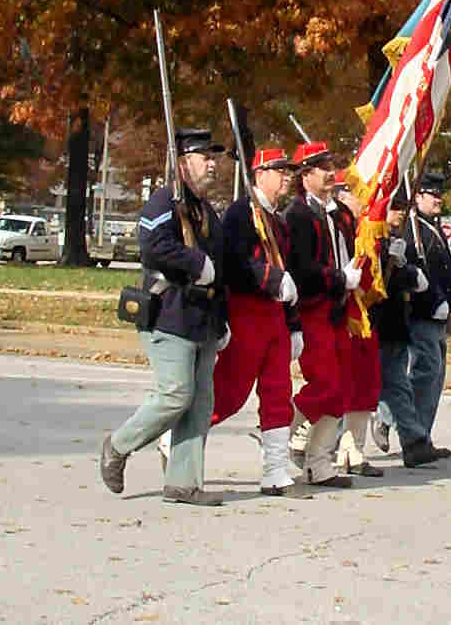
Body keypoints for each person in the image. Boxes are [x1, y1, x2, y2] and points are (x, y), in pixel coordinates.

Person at [100, 127, 228, 506]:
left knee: (199, 405)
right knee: (175, 395)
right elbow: (153, 246)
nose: (212, 164)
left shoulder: (205, 210)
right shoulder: (163, 201)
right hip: (170, 314)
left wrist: (223, 320)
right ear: (183, 162)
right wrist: (195, 262)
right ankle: (118, 446)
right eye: (204, 156)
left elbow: (222, 268)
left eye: (213, 157)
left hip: (203, 319)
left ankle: (183, 483)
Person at [210, 147, 303, 496]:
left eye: (288, 171)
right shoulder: (240, 213)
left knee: (279, 392)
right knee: (230, 393)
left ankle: (275, 470)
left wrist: (294, 323)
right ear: (259, 174)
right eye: (279, 170)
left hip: (275, 316)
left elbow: (287, 270)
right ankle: (178, 435)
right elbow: (233, 263)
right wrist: (270, 278)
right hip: (247, 310)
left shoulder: (279, 220)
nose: (286, 177)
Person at [284, 140, 361, 487]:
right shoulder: (297, 215)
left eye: (331, 165)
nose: (331, 172)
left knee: (342, 387)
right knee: (326, 383)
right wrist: (339, 278)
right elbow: (302, 268)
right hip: (313, 307)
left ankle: (318, 463)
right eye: (322, 167)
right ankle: (279, 427)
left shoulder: (339, 214)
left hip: (339, 308)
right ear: (305, 176)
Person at [368, 183, 440, 467]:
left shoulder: (393, 239)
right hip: (375, 323)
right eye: (394, 207)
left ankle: (414, 442)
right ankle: (307, 437)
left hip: (394, 324)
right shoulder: (371, 238)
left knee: (396, 385)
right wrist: (407, 273)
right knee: (359, 388)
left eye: (402, 207)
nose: (400, 213)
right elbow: (376, 280)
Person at [404, 170, 451, 458]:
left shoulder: (432, 229)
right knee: (426, 373)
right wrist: (433, 301)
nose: (439, 199)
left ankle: (422, 436)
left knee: (435, 377)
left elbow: (448, 274)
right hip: (420, 315)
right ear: (418, 196)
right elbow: (411, 275)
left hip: (438, 316)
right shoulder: (409, 229)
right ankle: (404, 428)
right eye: (433, 194)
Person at [331, 172, 385, 478]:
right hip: (338, 312)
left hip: (364, 314)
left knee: (365, 384)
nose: (365, 199)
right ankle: (297, 438)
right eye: (357, 193)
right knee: (335, 384)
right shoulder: (336, 223)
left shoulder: (365, 228)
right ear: (342, 195)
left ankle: (352, 451)